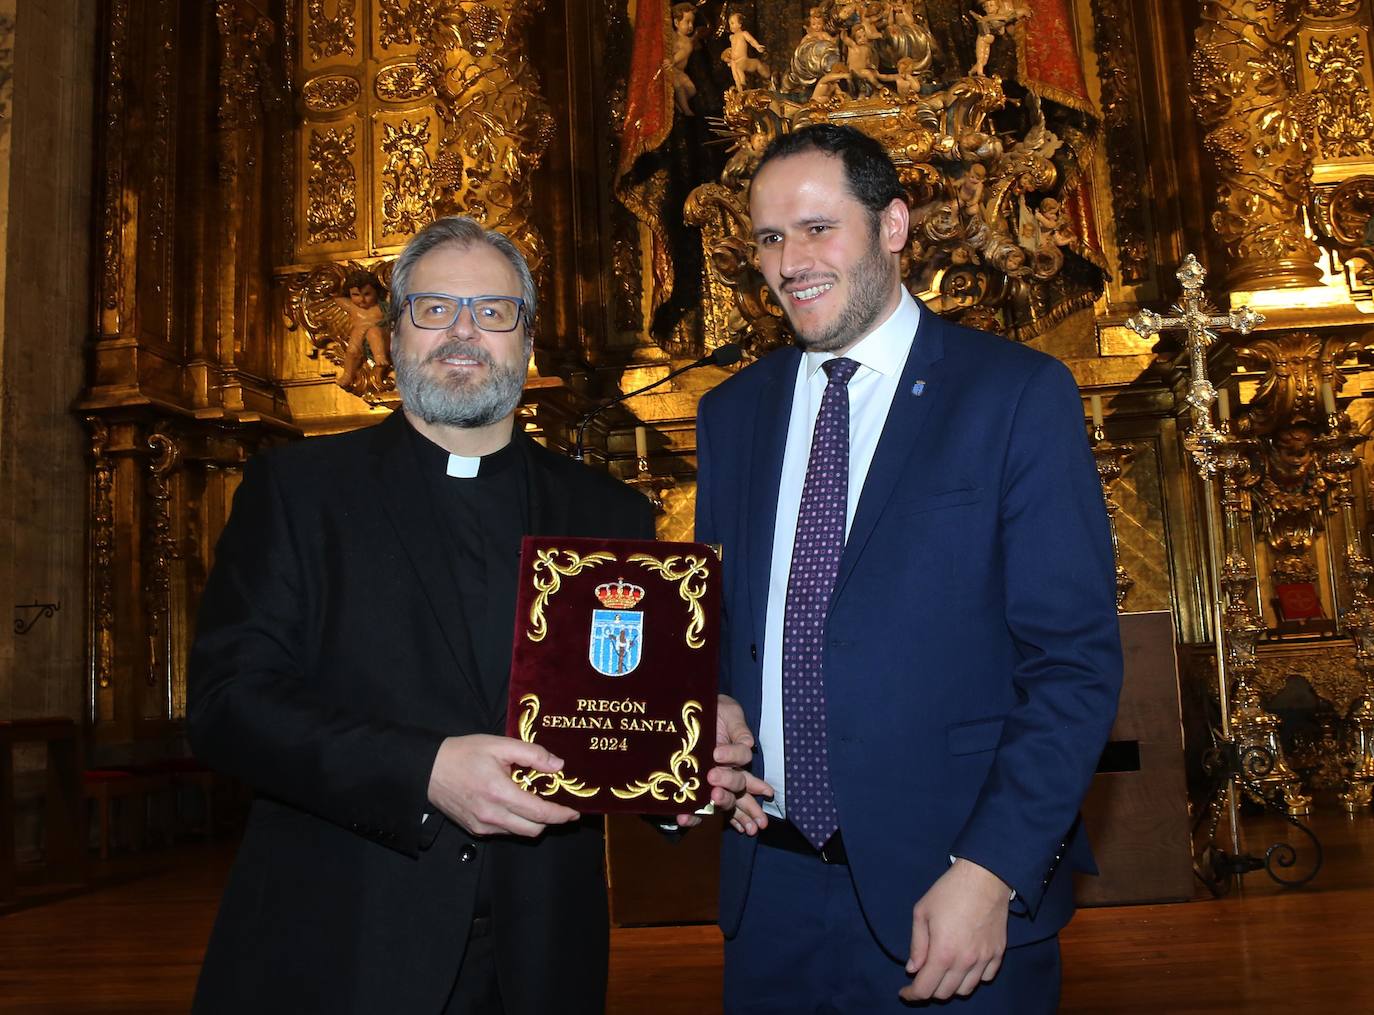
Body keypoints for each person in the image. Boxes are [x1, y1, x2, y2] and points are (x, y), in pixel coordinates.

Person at [188, 215, 756, 1014]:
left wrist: (680, 757)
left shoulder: (609, 513)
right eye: (434, 308)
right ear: (392, 334)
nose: (463, 332)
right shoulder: (301, 492)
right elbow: (227, 706)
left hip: (539, 960)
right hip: (340, 944)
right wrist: (422, 770)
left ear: (525, 340)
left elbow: (621, 715)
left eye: (493, 311)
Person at [695, 124, 1122, 1011]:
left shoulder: (1014, 394)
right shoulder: (730, 413)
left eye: (818, 228)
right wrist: (709, 717)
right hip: (765, 895)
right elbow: (717, 633)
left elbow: (1072, 665)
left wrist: (993, 869)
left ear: (893, 226)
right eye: (770, 238)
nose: (790, 261)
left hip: (953, 894)